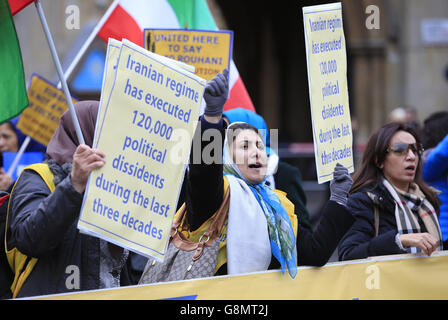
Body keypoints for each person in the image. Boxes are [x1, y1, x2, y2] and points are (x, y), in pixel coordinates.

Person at [143, 70, 355, 280]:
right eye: (245, 146)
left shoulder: (278, 204)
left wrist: (337, 200)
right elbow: (204, 171)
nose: (256, 152)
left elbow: (312, 253)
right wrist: (211, 117)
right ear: (227, 156)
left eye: (260, 146)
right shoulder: (218, 194)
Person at [5, 100, 130, 298]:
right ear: (83, 132)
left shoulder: (112, 186)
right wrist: (74, 185)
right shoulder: (39, 177)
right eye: (105, 131)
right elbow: (29, 239)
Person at [338, 122, 443, 261]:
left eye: (416, 149)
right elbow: (349, 255)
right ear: (379, 160)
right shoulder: (363, 201)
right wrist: (399, 240)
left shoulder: (428, 200)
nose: (411, 156)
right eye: (400, 150)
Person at [222, 107, 312, 231]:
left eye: (259, 146)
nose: (221, 135)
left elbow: (308, 246)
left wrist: (336, 202)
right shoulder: (219, 188)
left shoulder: (281, 201)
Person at [0, 117, 46, 191]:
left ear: (20, 137)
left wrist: (12, 187)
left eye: (6, 136)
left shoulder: (45, 162)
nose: (1, 143)